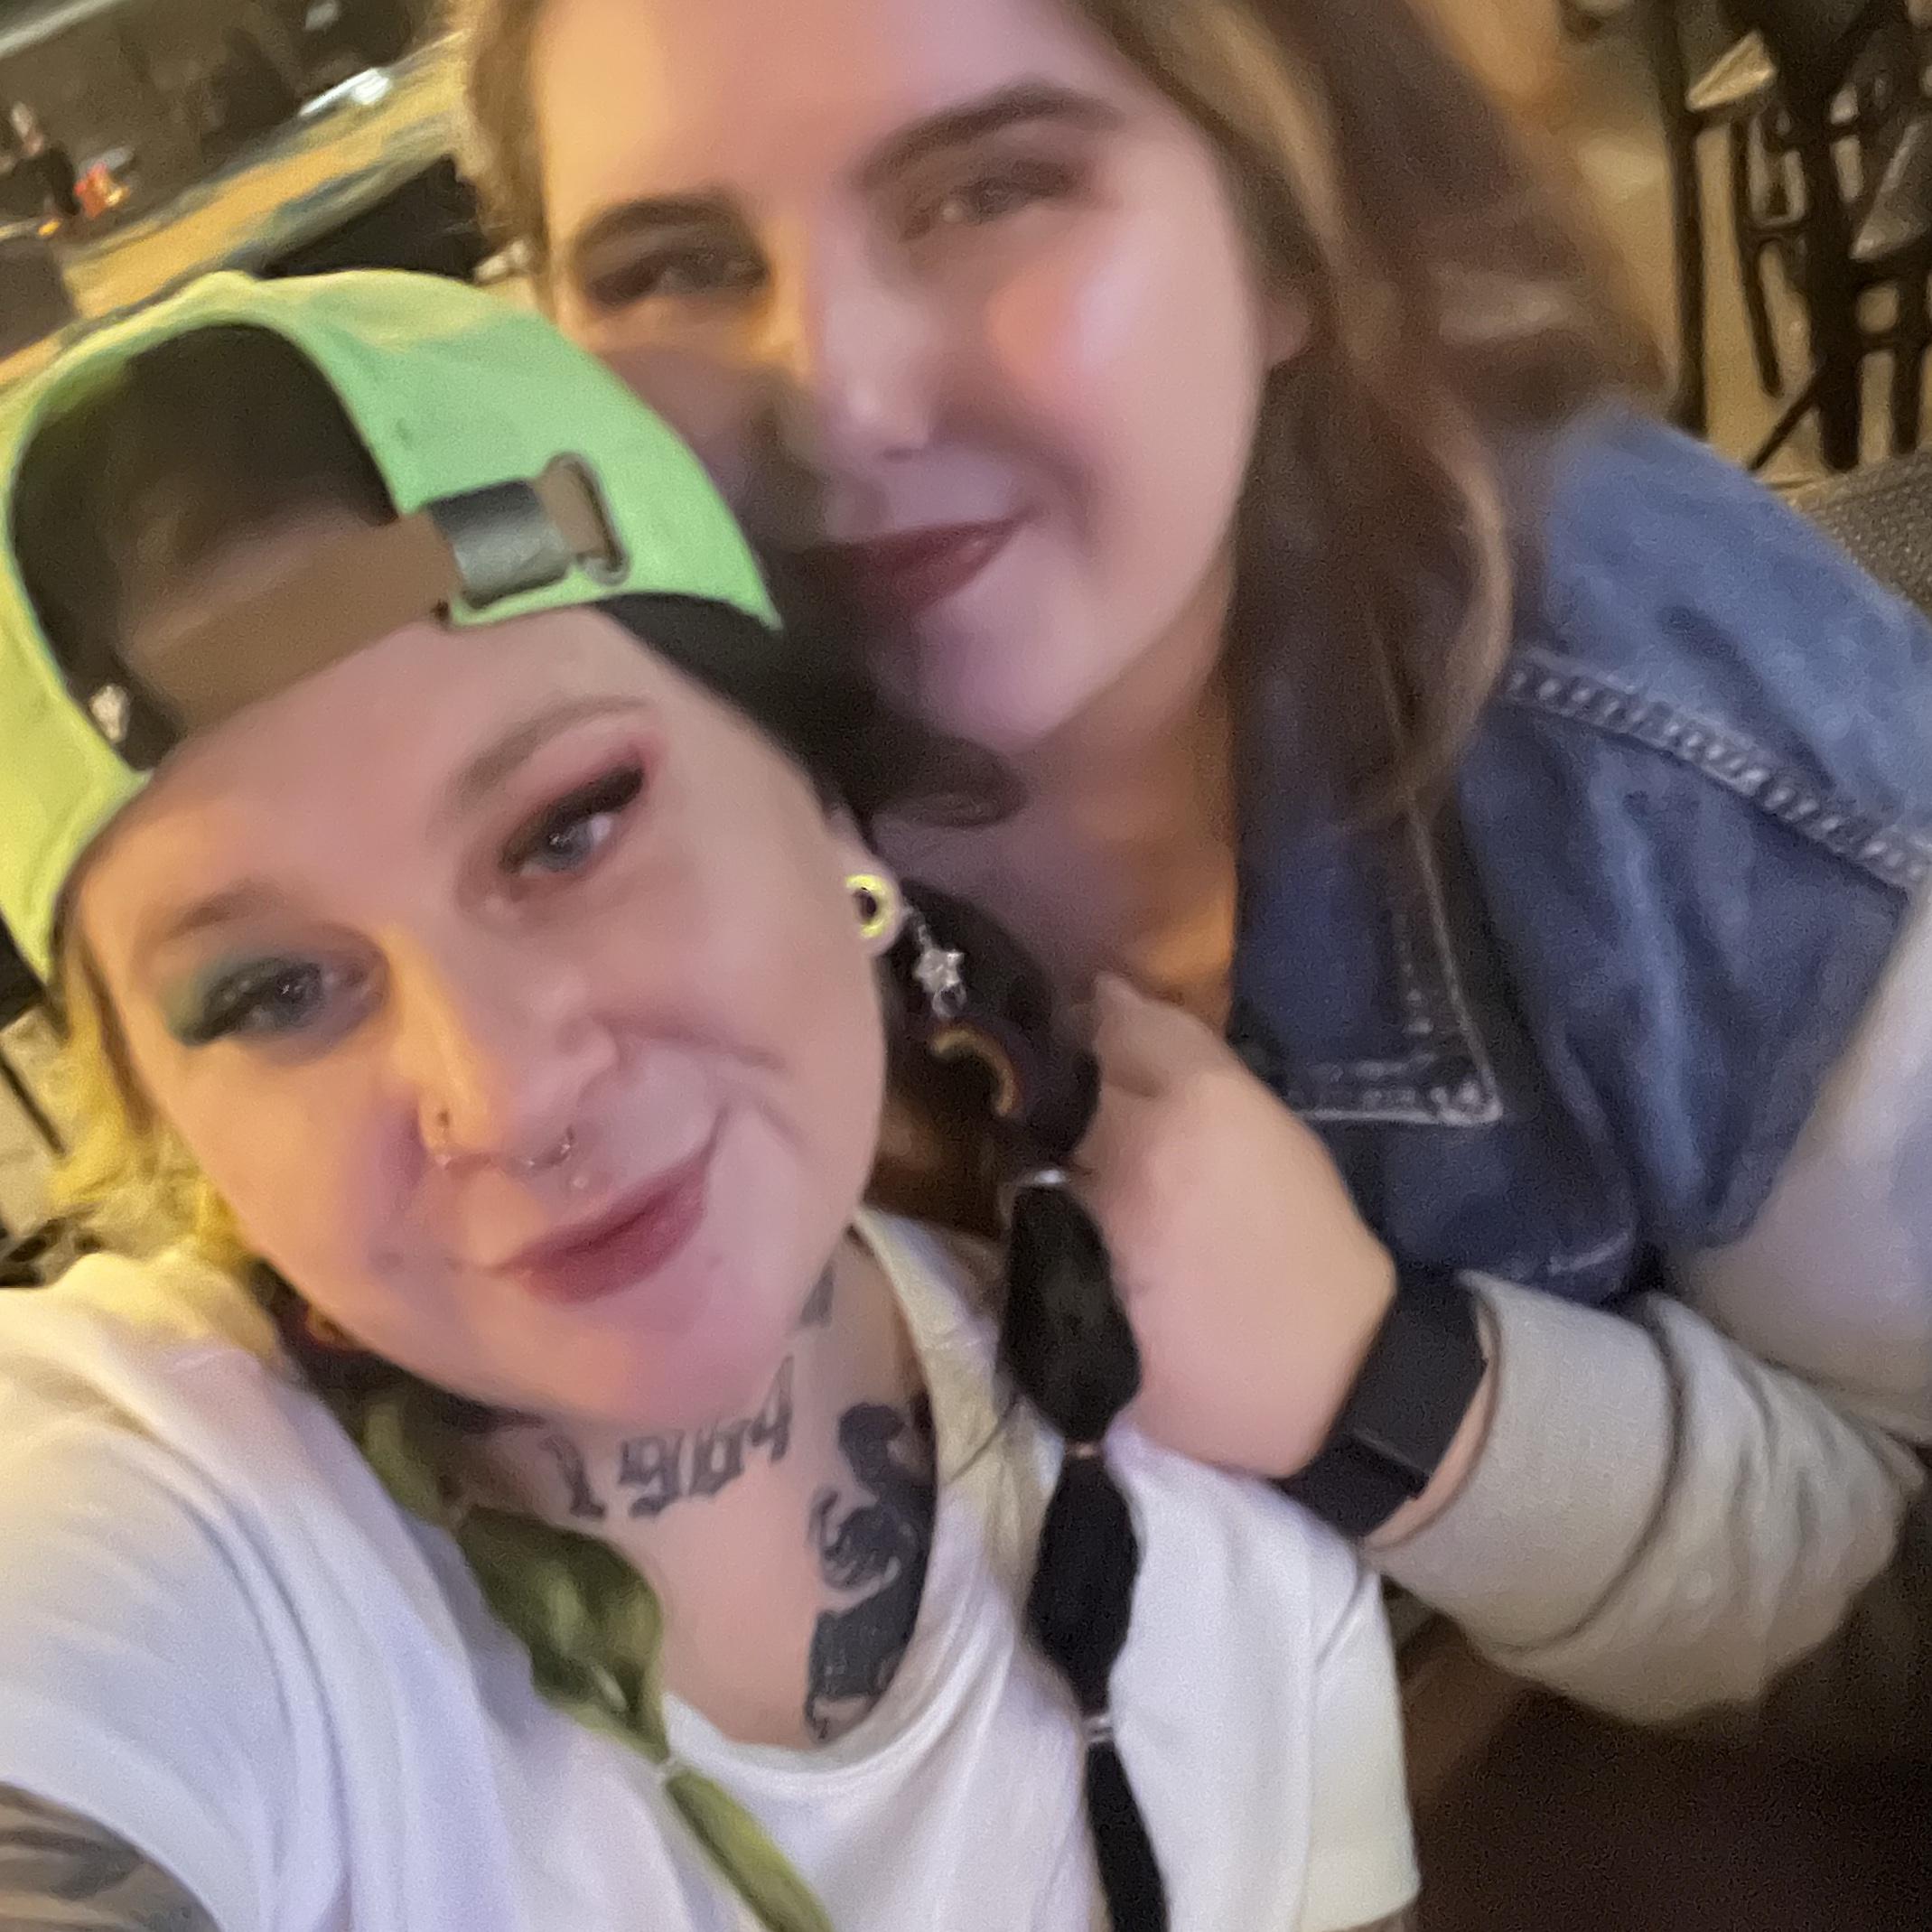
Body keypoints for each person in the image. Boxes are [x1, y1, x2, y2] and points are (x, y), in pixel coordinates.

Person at [454, 0, 1932, 1733]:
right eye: (675, 268)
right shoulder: (585, 778)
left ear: (1287, 236)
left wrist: (1376, 1384)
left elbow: (1900, 1576)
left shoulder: (1660, 743)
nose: (840, 404)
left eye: (990, 189)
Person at [0, 268, 1415, 1930]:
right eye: (274, 994)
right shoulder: (145, 1514)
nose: (503, 1090)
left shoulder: (1227, 1542)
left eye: (568, 830)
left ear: (828, 809)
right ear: (170, 1120)